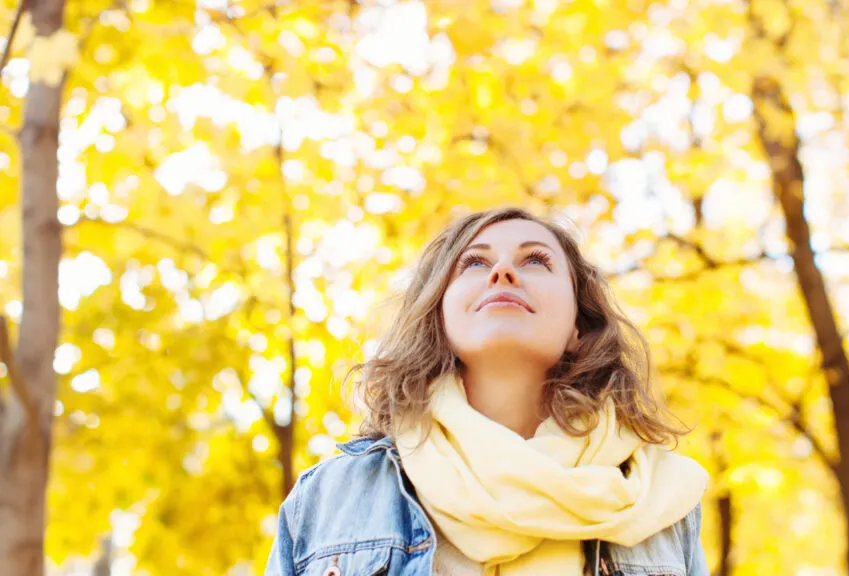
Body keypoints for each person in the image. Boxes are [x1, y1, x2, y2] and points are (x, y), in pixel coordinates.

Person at [265, 206, 710, 576]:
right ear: (440, 313)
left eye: (536, 260)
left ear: (579, 324)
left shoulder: (661, 502)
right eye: (474, 263)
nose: (501, 271)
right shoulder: (330, 497)